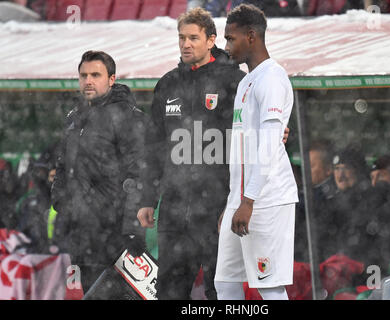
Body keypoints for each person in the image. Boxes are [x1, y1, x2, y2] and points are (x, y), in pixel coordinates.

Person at [136, 7, 247, 300]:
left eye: (193, 38)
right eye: (182, 38)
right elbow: (154, 145)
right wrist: (148, 198)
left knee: (219, 289)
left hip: (216, 207)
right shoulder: (168, 83)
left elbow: (252, 142)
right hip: (174, 209)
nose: (186, 44)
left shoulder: (234, 81)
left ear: (211, 40)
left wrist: (236, 201)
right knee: (169, 290)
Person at [213, 4, 298, 300]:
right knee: (224, 283)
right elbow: (246, 145)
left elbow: (269, 143)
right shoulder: (246, 81)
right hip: (241, 198)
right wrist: (233, 201)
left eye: (230, 38)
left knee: (269, 285)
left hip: (267, 200)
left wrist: (248, 200)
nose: (226, 47)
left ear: (251, 36)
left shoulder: (272, 78)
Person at [51, 50, 148, 293]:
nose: (88, 81)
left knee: (117, 296)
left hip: (114, 232)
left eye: (96, 75)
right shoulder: (74, 118)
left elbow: (139, 174)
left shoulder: (127, 117)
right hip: (82, 233)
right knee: (90, 293)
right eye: (83, 75)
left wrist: (132, 227)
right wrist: (61, 201)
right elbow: (64, 165)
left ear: (112, 79)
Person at [294, 139, 338, 262]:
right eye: (305, 165)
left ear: (328, 169)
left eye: (312, 166)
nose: (305, 170)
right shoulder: (305, 193)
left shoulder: (328, 197)